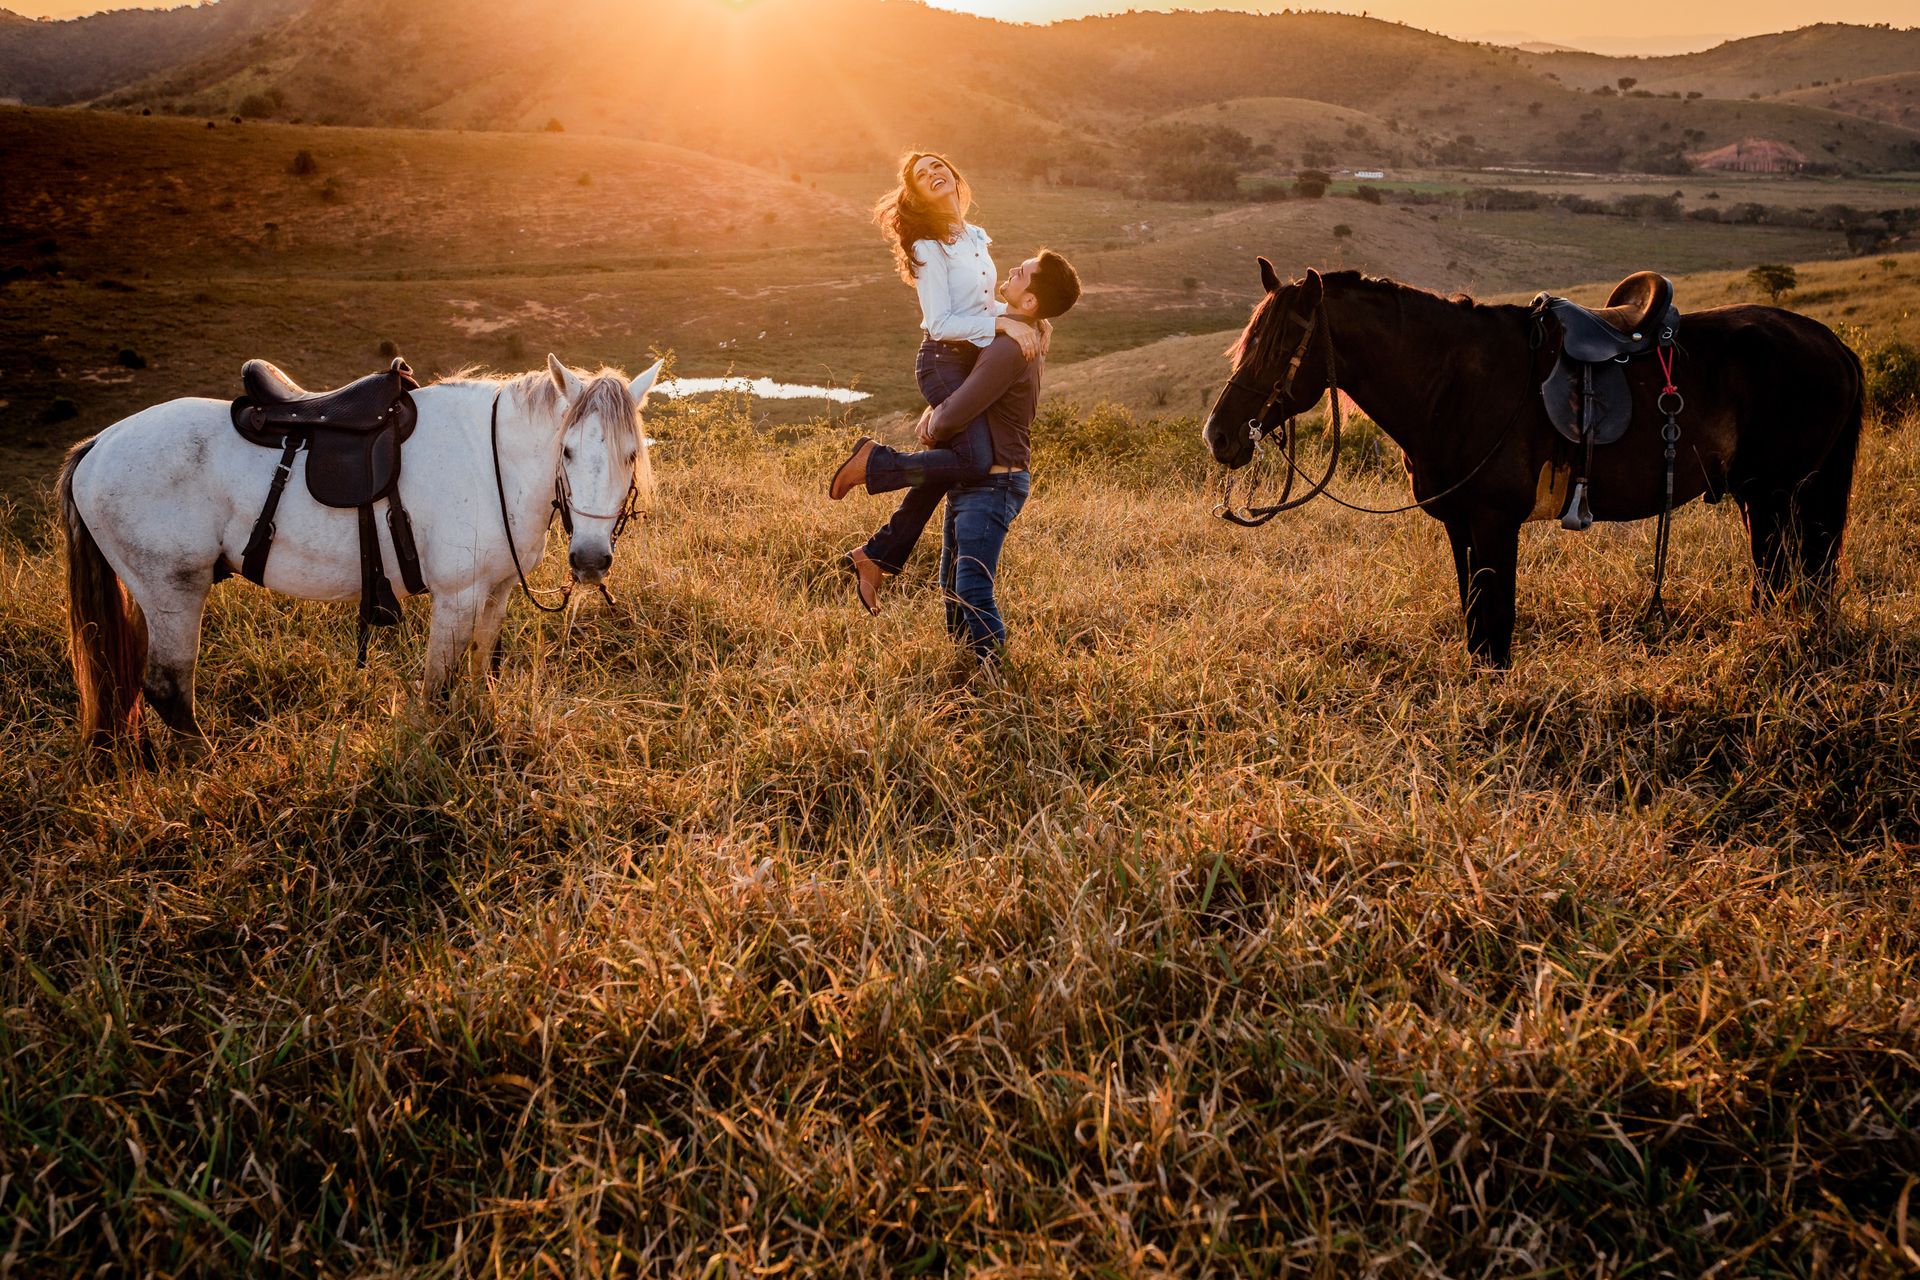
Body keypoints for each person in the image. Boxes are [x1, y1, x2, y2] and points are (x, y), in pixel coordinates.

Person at [826, 151, 1042, 614]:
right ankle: (876, 464)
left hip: (971, 361)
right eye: (922, 176)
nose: (933, 175)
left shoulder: (976, 237)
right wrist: (1002, 327)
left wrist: (1028, 320)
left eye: (937, 167)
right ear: (918, 194)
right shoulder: (927, 247)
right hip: (943, 360)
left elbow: (983, 305)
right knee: (976, 459)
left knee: (952, 465)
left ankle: (877, 554)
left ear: (953, 175)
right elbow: (941, 321)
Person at [909, 250, 1081, 665]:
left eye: (1022, 272)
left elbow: (957, 412)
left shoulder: (1010, 349)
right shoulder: (1022, 333)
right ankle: (965, 672)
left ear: (1030, 302)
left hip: (995, 482)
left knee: (972, 589)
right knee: (951, 586)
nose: (1012, 270)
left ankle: (997, 678)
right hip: (977, 480)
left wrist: (932, 424)